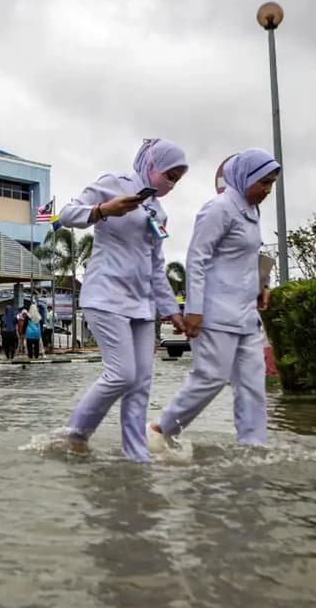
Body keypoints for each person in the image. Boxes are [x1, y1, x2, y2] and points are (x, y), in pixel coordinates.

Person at [57, 138, 187, 461]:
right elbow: (66, 214)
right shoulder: (113, 184)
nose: (171, 183)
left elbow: (157, 266)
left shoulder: (159, 211)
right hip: (105, 296)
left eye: (177, 179)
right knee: (122, 373)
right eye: (169, 174)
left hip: (142, 305)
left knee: (141, 382)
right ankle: (75, 432)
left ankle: (136, 454)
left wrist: (171, 310)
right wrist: (103, 210)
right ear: (151, 166)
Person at [150, 148, 279, 448]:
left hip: (246, 315)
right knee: (211, 378)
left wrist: (264, 284)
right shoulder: (218, 208)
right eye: (263, 182)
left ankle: (253, 446)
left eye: (272, 183)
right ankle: (162, 429)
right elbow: (197, 258)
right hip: (215, 312)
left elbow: (246, 258)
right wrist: (194, 310)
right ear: (245, 177)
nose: (267, 190)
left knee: (252, 385)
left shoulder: (252, 212)